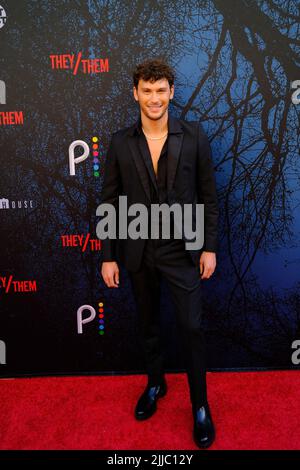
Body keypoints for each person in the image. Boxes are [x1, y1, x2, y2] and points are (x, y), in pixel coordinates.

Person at [99, 58, 219, 449]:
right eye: (146, 91)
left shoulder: (195, 136)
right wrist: (108, 255)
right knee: (148, 325)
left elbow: (209, 197)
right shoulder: (119, 141)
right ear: (135, 93)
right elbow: (110, 201)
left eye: (160, 90)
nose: (154, 98)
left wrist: (209, 247)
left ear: (170, 92)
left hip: (181, 250)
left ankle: (200, 405)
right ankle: (155, 384)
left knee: (192, 328)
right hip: (136, 250)